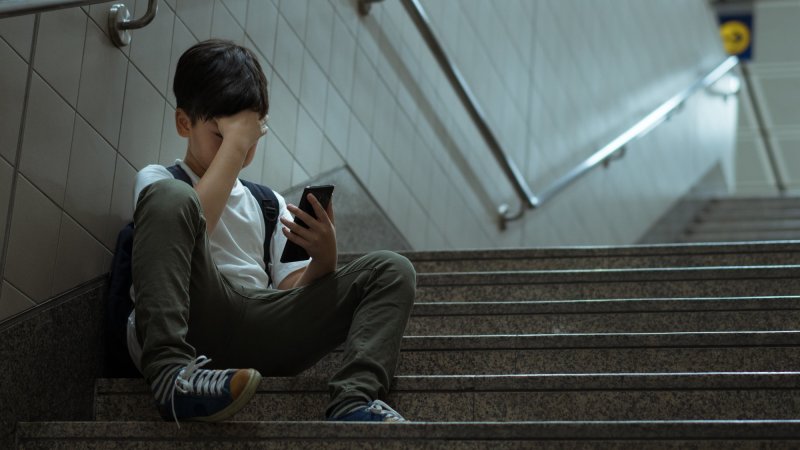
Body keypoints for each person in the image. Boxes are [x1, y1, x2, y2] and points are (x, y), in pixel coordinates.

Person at [127, 39, 416, 424]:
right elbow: (196, 220)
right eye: (223, 134)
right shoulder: (161, 182)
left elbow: (290, 295)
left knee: (392, 269)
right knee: (171, 198)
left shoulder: (267, 204)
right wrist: (234, 148)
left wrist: (325, 256)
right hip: (193, 315)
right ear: (185, 123)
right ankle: (169, 374)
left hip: (259, 326)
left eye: (249, 136)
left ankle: (353, 400)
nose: (241, 147)